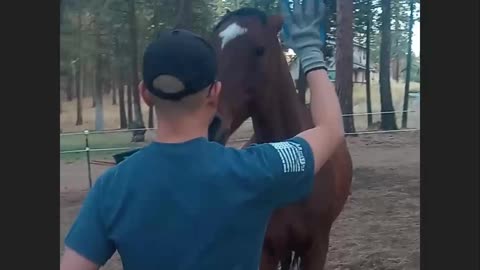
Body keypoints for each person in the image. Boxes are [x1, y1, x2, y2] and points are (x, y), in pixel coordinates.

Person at [59, 0, 344, 269]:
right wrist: (310, 50)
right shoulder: (258, 169)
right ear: (214, 92)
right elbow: (330, 130)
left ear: (145, 94)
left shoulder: (112, 187)